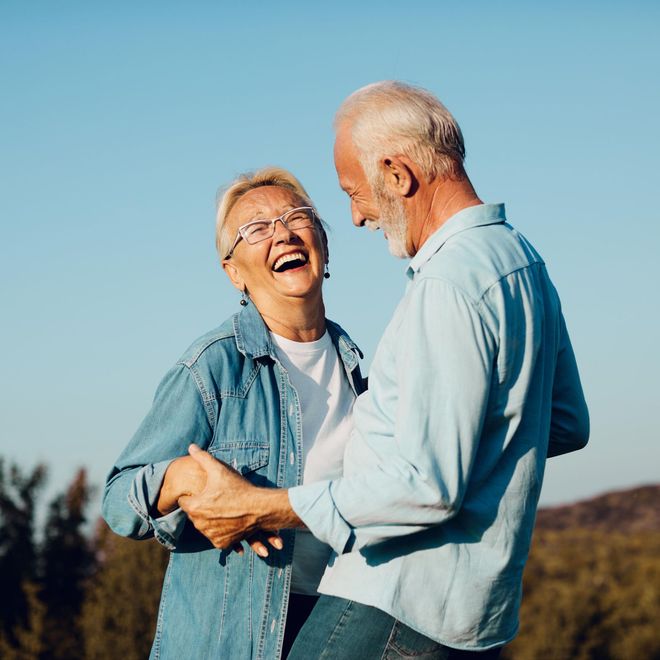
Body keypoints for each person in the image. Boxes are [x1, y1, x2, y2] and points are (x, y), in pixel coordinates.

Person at [177, 81, 590, 658]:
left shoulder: (447, 285)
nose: (357, 216)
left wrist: (261, 506)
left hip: (394, 604)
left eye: (355, 192)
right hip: (478, 619)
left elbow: (427, 486)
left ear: (397, 175)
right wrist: (471, 449)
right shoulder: (521, 260)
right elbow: (567, 422)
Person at [101, 167, 366, 659]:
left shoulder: (359, 367)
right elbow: (118, 499)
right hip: (234, 640)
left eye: (297, 217)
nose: (283, 233)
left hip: (336, 623)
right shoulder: (214, 365)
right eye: (256, 229)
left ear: (324, 245)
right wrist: (182, 477)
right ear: (234, 271)